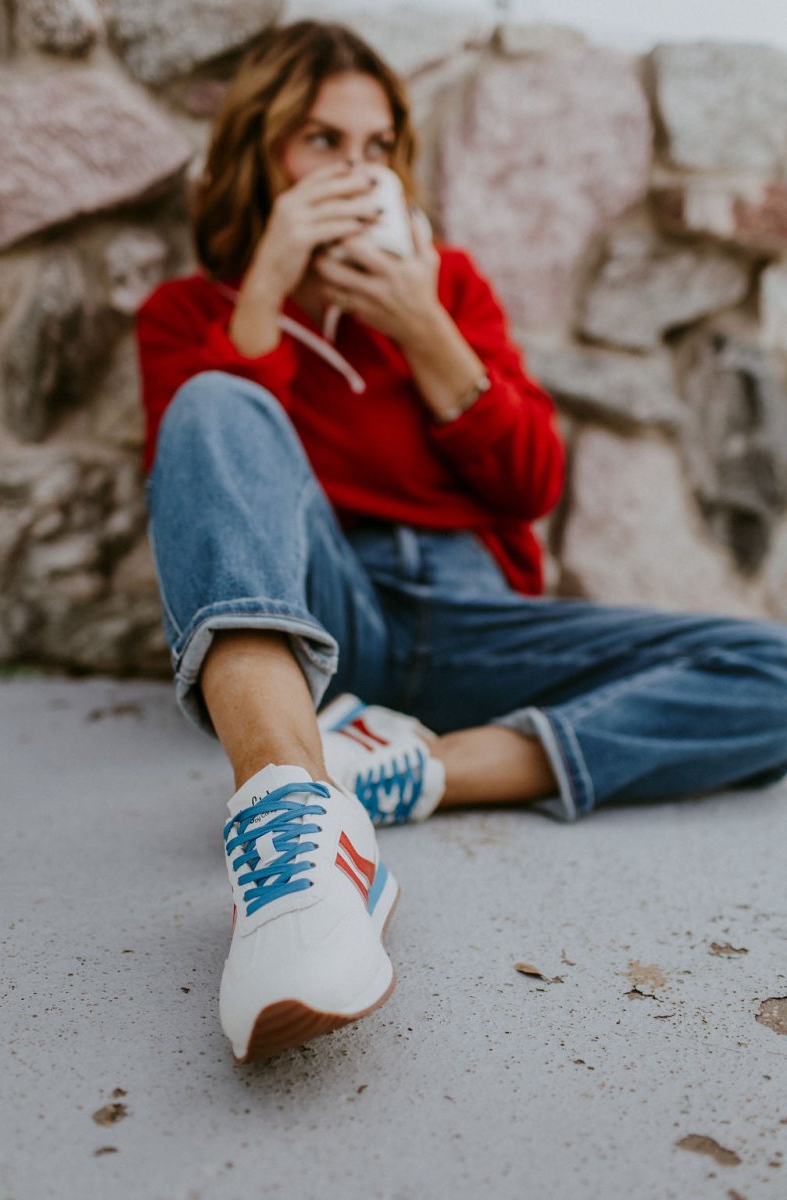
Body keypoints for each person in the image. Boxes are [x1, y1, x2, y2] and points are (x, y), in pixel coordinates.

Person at [137, 20, 787, 1064]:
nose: (357, 168)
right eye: (320, 142)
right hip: (323, 616)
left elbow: (528, 482)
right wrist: (266, 287)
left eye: (378, 145)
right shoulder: (191, 311)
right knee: (212, 405)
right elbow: (203, 505)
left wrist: (422, 325)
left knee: (772, 668)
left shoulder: (449, 292)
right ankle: (293, 825)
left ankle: (404, 773)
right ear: (263, 153)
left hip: (473, 616)